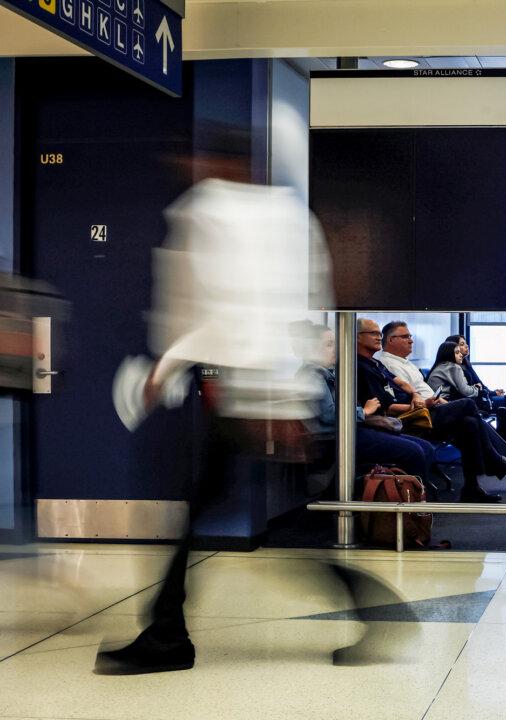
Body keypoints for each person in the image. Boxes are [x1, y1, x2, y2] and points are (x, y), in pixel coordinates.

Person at [98, 119, 336, 675]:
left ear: (217, 164)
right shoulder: (293, 215)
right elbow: (301, 306)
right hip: (268, 391)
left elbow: (214, 307)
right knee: (211, 509)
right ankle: (166, 631)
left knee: (205, 510)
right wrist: (291, 397)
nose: (188, 169)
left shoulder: (205, 210)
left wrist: (165, 367)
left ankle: (167, 636)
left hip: (240, 395)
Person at [357, 319, 506, 499]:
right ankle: (505, 462)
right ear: (391, 340)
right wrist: (422, 402)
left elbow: (401, 383)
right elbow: (387, 407)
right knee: (468, 405)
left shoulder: (381, 364)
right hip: (414, 417)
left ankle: (473, 488)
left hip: (429, 407)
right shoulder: (376, 363)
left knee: (469, 424)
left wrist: (418, 395)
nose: (411, 340)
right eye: (406, 336)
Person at [297, 322, 434, 483]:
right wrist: (365, 411)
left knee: (426, 448)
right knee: (415, 451)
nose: (335, 349)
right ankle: (415, 502)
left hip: (352, 430)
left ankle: (419, 497)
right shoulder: (312, 376)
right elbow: (330, 415)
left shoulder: (330, 372)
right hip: (337, 438)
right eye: (329, 345)